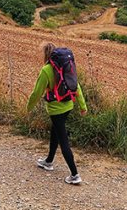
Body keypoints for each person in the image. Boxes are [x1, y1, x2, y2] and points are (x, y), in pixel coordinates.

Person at [26, 42, 88, 185]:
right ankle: (48, 162)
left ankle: (74, 174)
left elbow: (37, 92)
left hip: (56, 110)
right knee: (55, 131)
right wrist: (83, 106)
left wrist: (28, 107)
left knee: (63, 140)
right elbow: (76, 86)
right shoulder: (65, 68)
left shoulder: (46, 70)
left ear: (46, 54)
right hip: (68, 106)